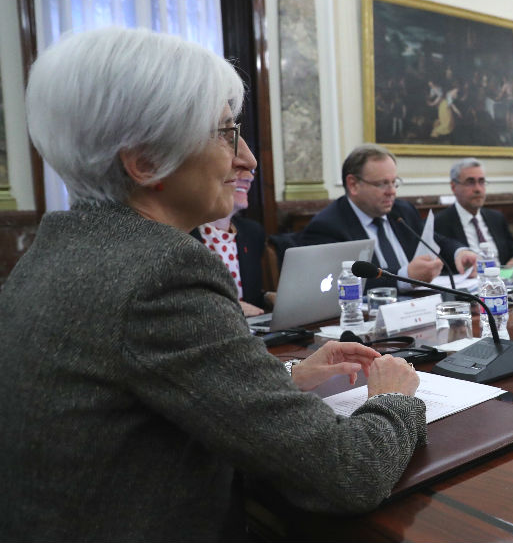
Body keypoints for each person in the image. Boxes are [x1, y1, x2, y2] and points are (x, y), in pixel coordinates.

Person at [0, 28, 426, 541]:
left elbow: (144, 393)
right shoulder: (161, 272)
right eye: (226, 133)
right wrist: (394, 398)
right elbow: (346, 474)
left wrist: (286, 377)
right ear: (145, 162)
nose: (245, 158)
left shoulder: (60, 246)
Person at [301, 143, 477, 291]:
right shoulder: (329, 226)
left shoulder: (402, 211)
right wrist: (404, 277)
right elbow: (334, 283)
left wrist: (459, 253)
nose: (392, 191)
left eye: (394, 182)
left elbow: (435, 241)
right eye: (382, 183)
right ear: (353, 184)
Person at [191, 163, 267, 316]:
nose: (250, 178)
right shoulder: (179, 233)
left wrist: (268, 297)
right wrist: (228, 306)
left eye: (251, 171)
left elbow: (250, 301)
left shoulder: (252, 232)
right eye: (237, 168)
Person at [435, 158, 513, 267]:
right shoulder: (439, 223)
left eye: (481, 182)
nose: (478, 189)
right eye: (470, 182)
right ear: (454, 187)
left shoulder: (496, 218)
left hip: (502, 281)